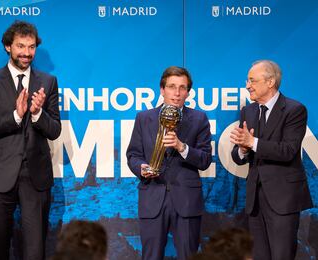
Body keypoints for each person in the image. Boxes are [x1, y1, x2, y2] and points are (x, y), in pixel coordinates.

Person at [0, 20, 61, 260]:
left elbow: (54, 130)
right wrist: (16, 115)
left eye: (31, 47)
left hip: (35, 177)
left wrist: (37, 114)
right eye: (21, 46)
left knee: (35, 251)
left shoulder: (48, 82)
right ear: (7, 47)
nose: (26, 53)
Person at [126, 66, 212, 260]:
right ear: (162, 89)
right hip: (153, 199)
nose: (177, 93)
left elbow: (206, 159)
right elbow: (133, 155)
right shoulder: (144, 118)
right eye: (172, 86)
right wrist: (141, 168)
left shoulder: (199, 119)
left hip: (186, 201)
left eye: (182, 88)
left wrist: (182, 147)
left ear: (188, 93)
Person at [230, 60, 312, 260]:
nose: (247, 85)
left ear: (270, 82)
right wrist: (242, 149)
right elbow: (239, 156)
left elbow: (288, 151)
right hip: (256, 199)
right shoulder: (248, 111)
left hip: (282, 198)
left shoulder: (294, 110)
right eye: (247, 81)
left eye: (252, 80)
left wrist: (253, 142)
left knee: (281, 255)